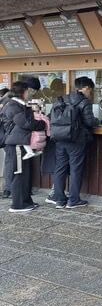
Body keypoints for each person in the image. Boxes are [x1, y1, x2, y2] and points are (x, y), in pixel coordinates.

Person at [47, 76, 98, 209]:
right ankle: (73, 200)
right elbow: (89, 122)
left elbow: (50, 116)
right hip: (76, 140)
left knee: (60, 168)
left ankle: (59, 200)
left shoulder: (62, 99)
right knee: (76, 169)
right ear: (86, 88)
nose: (90, 93)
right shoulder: (84, 102)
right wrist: (97, 120)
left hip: (59, 139)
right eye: (90, 90)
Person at [2, 81, 47, 212]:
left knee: (25, 173)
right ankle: (17, 204)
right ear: (22, 92)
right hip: (16, 144)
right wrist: (42, 124)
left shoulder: (18, 104)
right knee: (19, 173)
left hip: (22, 142)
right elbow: (26, 123)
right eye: (28, 91)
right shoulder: (13, 105)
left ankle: (26, 201)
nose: (30, 93)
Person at [0, 88, 9, 199]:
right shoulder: (6, 102)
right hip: (5, 138)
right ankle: (7, 189)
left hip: (4, 139)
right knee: (8, 164)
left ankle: (7, 188)